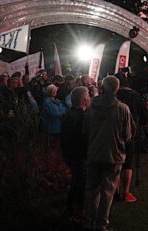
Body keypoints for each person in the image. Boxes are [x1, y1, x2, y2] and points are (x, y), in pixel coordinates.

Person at [83, 76, 134, 231]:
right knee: (108, 192)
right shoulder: (122, 108)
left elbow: (85, 130)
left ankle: (88, 223)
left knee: (91, 190)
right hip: (114, 156)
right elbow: (128, 136)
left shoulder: (91, 106)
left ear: (103, 87)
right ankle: (101, 225)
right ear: (117, 89)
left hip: (94, 153)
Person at [114, 72, 147, 203]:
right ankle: (126, 192)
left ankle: (115, 190)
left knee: (115, 163)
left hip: (114, 132)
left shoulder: (113, 94)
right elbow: (144, 116)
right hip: (130, 133)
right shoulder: (135, 95)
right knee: (128, 163)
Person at [61, 86, 91, 220]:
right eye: (89, 96)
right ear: (85, 101)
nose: (90, 98)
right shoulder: (81, 118)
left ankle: (71, 208)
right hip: (78, 156)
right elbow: (83, 138)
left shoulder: (69, 114)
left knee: (77, 180)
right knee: (81, 182)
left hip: (70, 154)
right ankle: (77, 211)